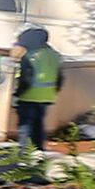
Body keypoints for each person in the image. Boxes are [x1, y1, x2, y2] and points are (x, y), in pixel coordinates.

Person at [12, 24, 63, 152]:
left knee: (25, 127)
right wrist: (54, 91)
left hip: (29, 96)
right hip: (47, 96)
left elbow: (26, 80)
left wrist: (17, 94)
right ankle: (39, 151)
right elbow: (60, 78)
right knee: (38, 125)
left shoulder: (29, 57)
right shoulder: (54, 55)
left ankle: (25, 155)